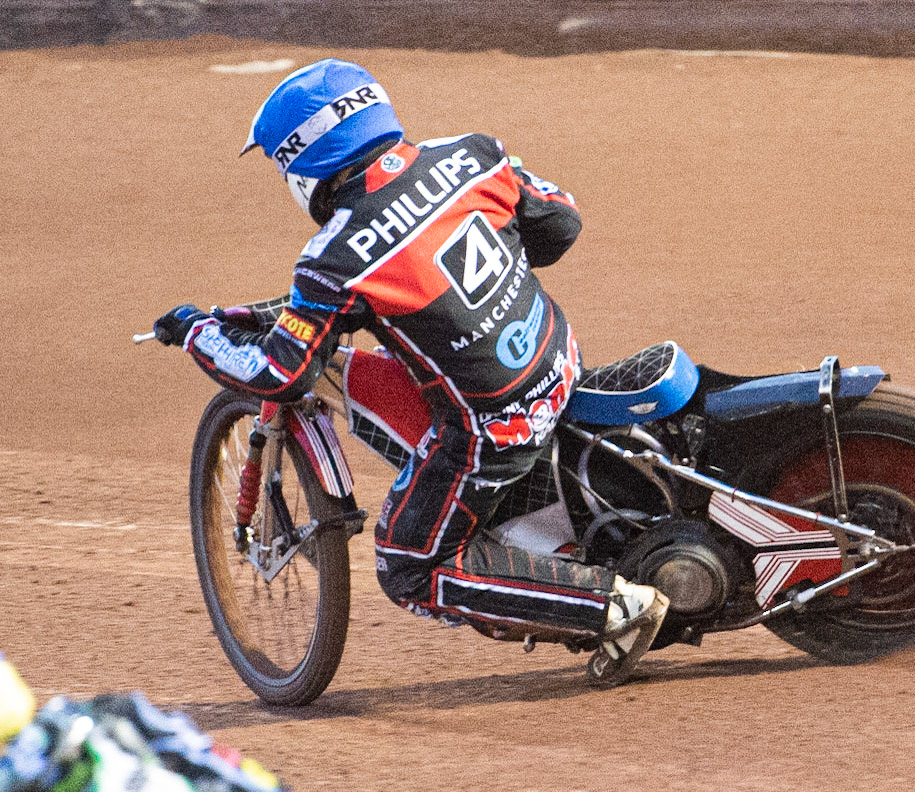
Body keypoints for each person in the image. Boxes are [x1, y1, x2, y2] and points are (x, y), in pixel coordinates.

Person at [153, 58, 667, 687]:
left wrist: (196, 332)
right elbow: (560, 223)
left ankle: (614, 606)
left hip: (495, 426)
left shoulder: (334, 258)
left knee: (407, 563)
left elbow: (280, 375)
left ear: (303, 161)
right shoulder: (473, 154)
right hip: (559, 357)